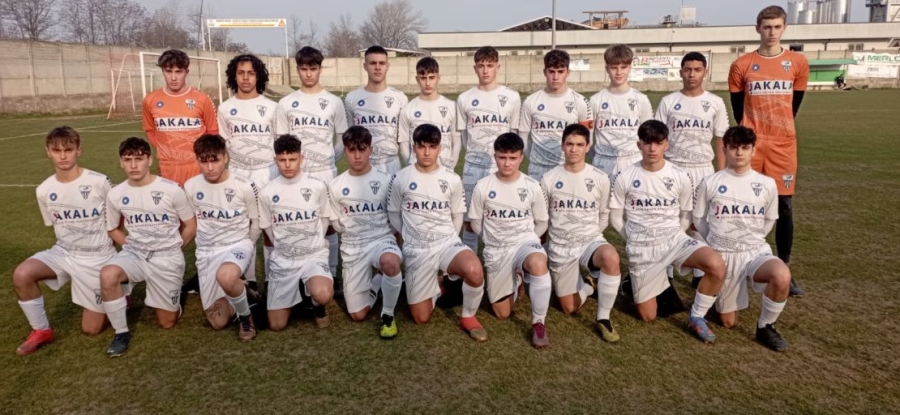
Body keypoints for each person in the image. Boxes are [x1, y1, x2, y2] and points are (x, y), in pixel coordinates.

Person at [609, 120, 725, 343]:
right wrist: (634, 240)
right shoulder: (625, 176)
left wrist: (673, 236)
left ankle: (696, 317)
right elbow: (615, 218)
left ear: (667, 145)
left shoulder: (679, 175)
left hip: (674, 241)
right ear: (639, 145)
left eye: (658, 143)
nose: (652, 149)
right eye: (647, 143)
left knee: (716, 265)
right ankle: (631, 284)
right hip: (642, 248)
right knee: (648, 316)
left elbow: (686, 215)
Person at [12, 126, 117, 356]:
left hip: (97, 257)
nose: (63, 156)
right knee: (22, 274)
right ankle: (41, 331)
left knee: (91, 329)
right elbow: (55, 225)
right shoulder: (44, 190)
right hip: (64, 252)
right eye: (56, 150)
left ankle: (117, 294)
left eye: (68, 150)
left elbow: (118, 218)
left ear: (79, 150)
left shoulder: (99, 182)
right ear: (48, 152)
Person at [728, 5, 809, 297]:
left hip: (783, 144)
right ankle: (739, 264)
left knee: (784, 206)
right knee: (743, 203)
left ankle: (784, 268)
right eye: (766, 27)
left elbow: (794, 105)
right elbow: (738, 109)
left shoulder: (797, 63)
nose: (771, 32)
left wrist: (780, 128)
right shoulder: (742, 64)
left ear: (784, 28)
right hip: (752, 144)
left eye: (777, 27)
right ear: (758, 28)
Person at [694, 126, 792, 351]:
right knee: (728, 322)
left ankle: (766, 326)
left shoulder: (767, 184)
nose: (739, 153)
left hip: (755, 251)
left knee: (782, 275)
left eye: (745, 148)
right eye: (734, 147)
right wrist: (717, 242)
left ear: (753, 150)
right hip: (724, 254)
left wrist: (750, 239)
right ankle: (716, 292)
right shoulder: (710, 182)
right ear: (724, 149)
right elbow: (699, 219)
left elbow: (769, 220)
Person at [387, 124, 487, 342]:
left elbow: (457, 214)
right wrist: (408, 234)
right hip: (417, 249)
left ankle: (468, 316)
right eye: (421, 146)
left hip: (446, 243)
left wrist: (451, 239)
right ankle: (439, 285)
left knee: (474, 269)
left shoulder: (452, 179)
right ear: (414, 147)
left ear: (440, 148)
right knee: (420, 318)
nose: (426, 152)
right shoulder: (401, 178)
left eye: (432, 147)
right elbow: (394, 213)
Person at [100, 137, 197, 357]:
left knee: (167, 322)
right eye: (128, 160)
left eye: (139, 159)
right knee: (108, 274)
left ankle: (176, 297)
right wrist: (131, 245)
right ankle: (121, 333)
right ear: (121, 162)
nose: (133, 165)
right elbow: (112, 229)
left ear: (149, 160)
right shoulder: (116, 194)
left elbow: (191, 225)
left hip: (167, 257)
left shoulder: (172, 190)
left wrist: (175, 246)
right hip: (135, 254)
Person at [540, 124, 622, 342]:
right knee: (569, 307)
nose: (574, 149)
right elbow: (543, 218)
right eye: (569, 144)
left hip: (589, 241)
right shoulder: (549, 178)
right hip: (561, 246)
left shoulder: (600, 177)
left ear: (588, 147)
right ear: (562, 146)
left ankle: (603, 318)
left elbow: (604, 214)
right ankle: (588, 286)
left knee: (611, 257)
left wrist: (592, 235)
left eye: (579, 145)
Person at [468, 133, 551, 348]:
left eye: (512, 158)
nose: (507, 163)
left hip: (524, 243)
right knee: (502, 313)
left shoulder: (532, 185)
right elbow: (475, 221)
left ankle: (539, 322)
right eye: (502, 157)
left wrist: (531, 240)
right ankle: (517, 278)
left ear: (521, 157)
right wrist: (490, 238)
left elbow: (542, 222)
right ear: (495, 156)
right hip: (497, 249)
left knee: (538, 262)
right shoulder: (483, 186)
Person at [655, 52, 730, 283]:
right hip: (673, 168)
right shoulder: (668, 101)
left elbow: (721, 139)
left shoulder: (715, 102)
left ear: (705, 72)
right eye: (687, 69)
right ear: (681, 72)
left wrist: (722, 174)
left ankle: (699, 273)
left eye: (697, 70)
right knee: (668, 220)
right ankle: (666, 271)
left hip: (702, 169)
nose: (692, 74)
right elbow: (657, 138)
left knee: (699, 221)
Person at [275, 46, 348, 280]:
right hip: (296, 175)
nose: (308, 74)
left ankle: (331, 275)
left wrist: (329, 158)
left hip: (325, 172)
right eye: (303, 68)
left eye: (313, 68)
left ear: (320, 69)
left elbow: (342, 138)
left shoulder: (333, 102)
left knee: (329, 225)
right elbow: (282, 142)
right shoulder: (286, 103)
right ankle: (298, 273)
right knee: (299, 223)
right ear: (297, 69)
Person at [327, 126, 404, 339]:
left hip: (381, 240)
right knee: (357, 314)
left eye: (362, 149)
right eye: (352, 150)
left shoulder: (387, 180)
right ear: (345, 150)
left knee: (390, 262)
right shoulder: (336, 185)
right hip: (353, 247)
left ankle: (388, 314)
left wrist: (394, 248)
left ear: (371, 149)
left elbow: (395, 218)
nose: (357, 156)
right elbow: (336, 224)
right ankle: (377, 282)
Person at [184, 134, 261, 341]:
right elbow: (191, 223)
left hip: (237, 245)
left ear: (225, 157)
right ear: (197, 160)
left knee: (226, 276)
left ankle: (246, 318)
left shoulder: (244, 185)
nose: (210, 167)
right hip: (207, 252)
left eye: (215, 160)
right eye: (204, 161)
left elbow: (256, 222)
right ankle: (245, 293)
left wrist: (248, 246)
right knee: (218, 321)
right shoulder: (190, 186)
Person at [257, 134, 335, 331]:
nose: (287, 165)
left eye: (292, 159)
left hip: (312, 256)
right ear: (275, 160)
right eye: (282, 160)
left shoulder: (316, 186)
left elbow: (325, 217)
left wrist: (316, 240)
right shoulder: (267, 192)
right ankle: (300, 291)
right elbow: (267, 226)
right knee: (276, 325)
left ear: (301, 158)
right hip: (284, 260)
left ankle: (317, 304)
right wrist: (283, 246)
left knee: (324, 294)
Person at [217, 53, 276, 288]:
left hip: (267, 172)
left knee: (271, 227)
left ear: (258, 76)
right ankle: (249, 281)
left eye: (251, 73)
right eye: (241, 73)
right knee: (243, 229)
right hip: (239, 173)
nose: (245, 78)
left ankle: (272, 279)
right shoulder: (225, 108)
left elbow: (279, 143)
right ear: (234, 76)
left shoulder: (272, 107)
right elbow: (224, 144)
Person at [457, 46, 521, 253]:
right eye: (481, 65)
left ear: (498, 67)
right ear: (475, 68)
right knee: (469, 221)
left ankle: (508, 262)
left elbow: (514, 134)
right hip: (472, 168)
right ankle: (470, 264)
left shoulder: (512, 97)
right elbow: (464, 136)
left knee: (503, 218)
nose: (485, 70)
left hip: (501, 167)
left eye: (490, 65)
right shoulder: (464, 98)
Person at [142, 49, 218, 187]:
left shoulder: (202, 99)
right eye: (168, 71)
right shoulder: (150, 100)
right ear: (162, 71)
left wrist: (203, 157)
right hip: (167, 166)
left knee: (198, 201)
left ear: (186, 72)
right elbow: (150, 130)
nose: (173, 77)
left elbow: (213, 132)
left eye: (178, 72)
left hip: (197, 165)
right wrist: (165, 150)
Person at [520, 49, 593, 180]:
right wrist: (536, 158)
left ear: (568, 72)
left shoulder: (580, 102)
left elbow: (587, 139)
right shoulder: (530, 101)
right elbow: (523, 138)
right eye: (551, 71)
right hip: (538, 169)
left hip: (568, 168)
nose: (555, 77)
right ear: (545, 72)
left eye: (560, 71)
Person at [589, 44, 653, 177]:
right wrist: (596, 157)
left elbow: (648, 137)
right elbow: (587, 138)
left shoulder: (641, 99)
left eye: (623, 67)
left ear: (630, 67)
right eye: (614, 67)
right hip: (603, 162)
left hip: (633, 161)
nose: (619, 72)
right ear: (607, 69)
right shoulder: (595, 100)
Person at [345, 46, 409, 175]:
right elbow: (350, 136)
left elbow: (404, 139)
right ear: (365, 66)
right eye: (373, 63)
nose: (378, 67)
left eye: (382, 63)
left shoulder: (400, 98)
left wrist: (409, 166)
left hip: (391, 164)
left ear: (388, 66)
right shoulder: (352, 98)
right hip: (364, 165)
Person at [398, 57, 461, 171]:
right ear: (417, 79)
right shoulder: (408, 109)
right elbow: (404, 142)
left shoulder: (452, 107)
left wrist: (450, 167)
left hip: (444, 171)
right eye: (423, 78)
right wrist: (411, 167)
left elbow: (456, 141)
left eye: (431, 77)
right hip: (417, 172)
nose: (427, 83)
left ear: (438, 78)